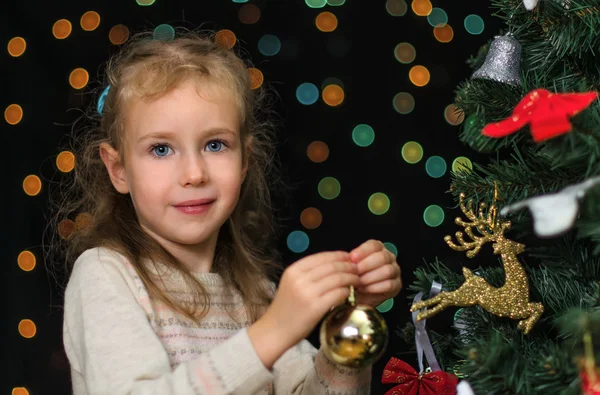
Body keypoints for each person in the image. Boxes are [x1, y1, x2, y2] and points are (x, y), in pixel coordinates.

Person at [56, 29, 402, 394]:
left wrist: (350, 321)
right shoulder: (105, 274)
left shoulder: (255, 293)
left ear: (244, 161)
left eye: (215, 144)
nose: (194, 174)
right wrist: (274, 331)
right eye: (161, 149)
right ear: (118, 169)